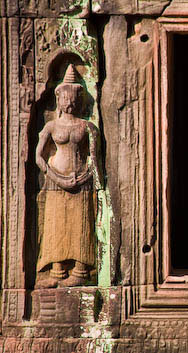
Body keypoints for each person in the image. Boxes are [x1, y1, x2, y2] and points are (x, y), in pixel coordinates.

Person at [35, 64, 98, 288]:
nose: (69, 104)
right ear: (59, 100)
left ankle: (81, 270)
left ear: (79, 101)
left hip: (81, 181)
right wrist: (56, 177)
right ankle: (57, 270)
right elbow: (39, 157)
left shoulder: (87, 127)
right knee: (56, 224)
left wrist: (85, 176)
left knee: (80, 224)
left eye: (73, 99)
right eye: (65, 99)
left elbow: (94, 158)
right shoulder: (51, 126)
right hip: (56, 181)